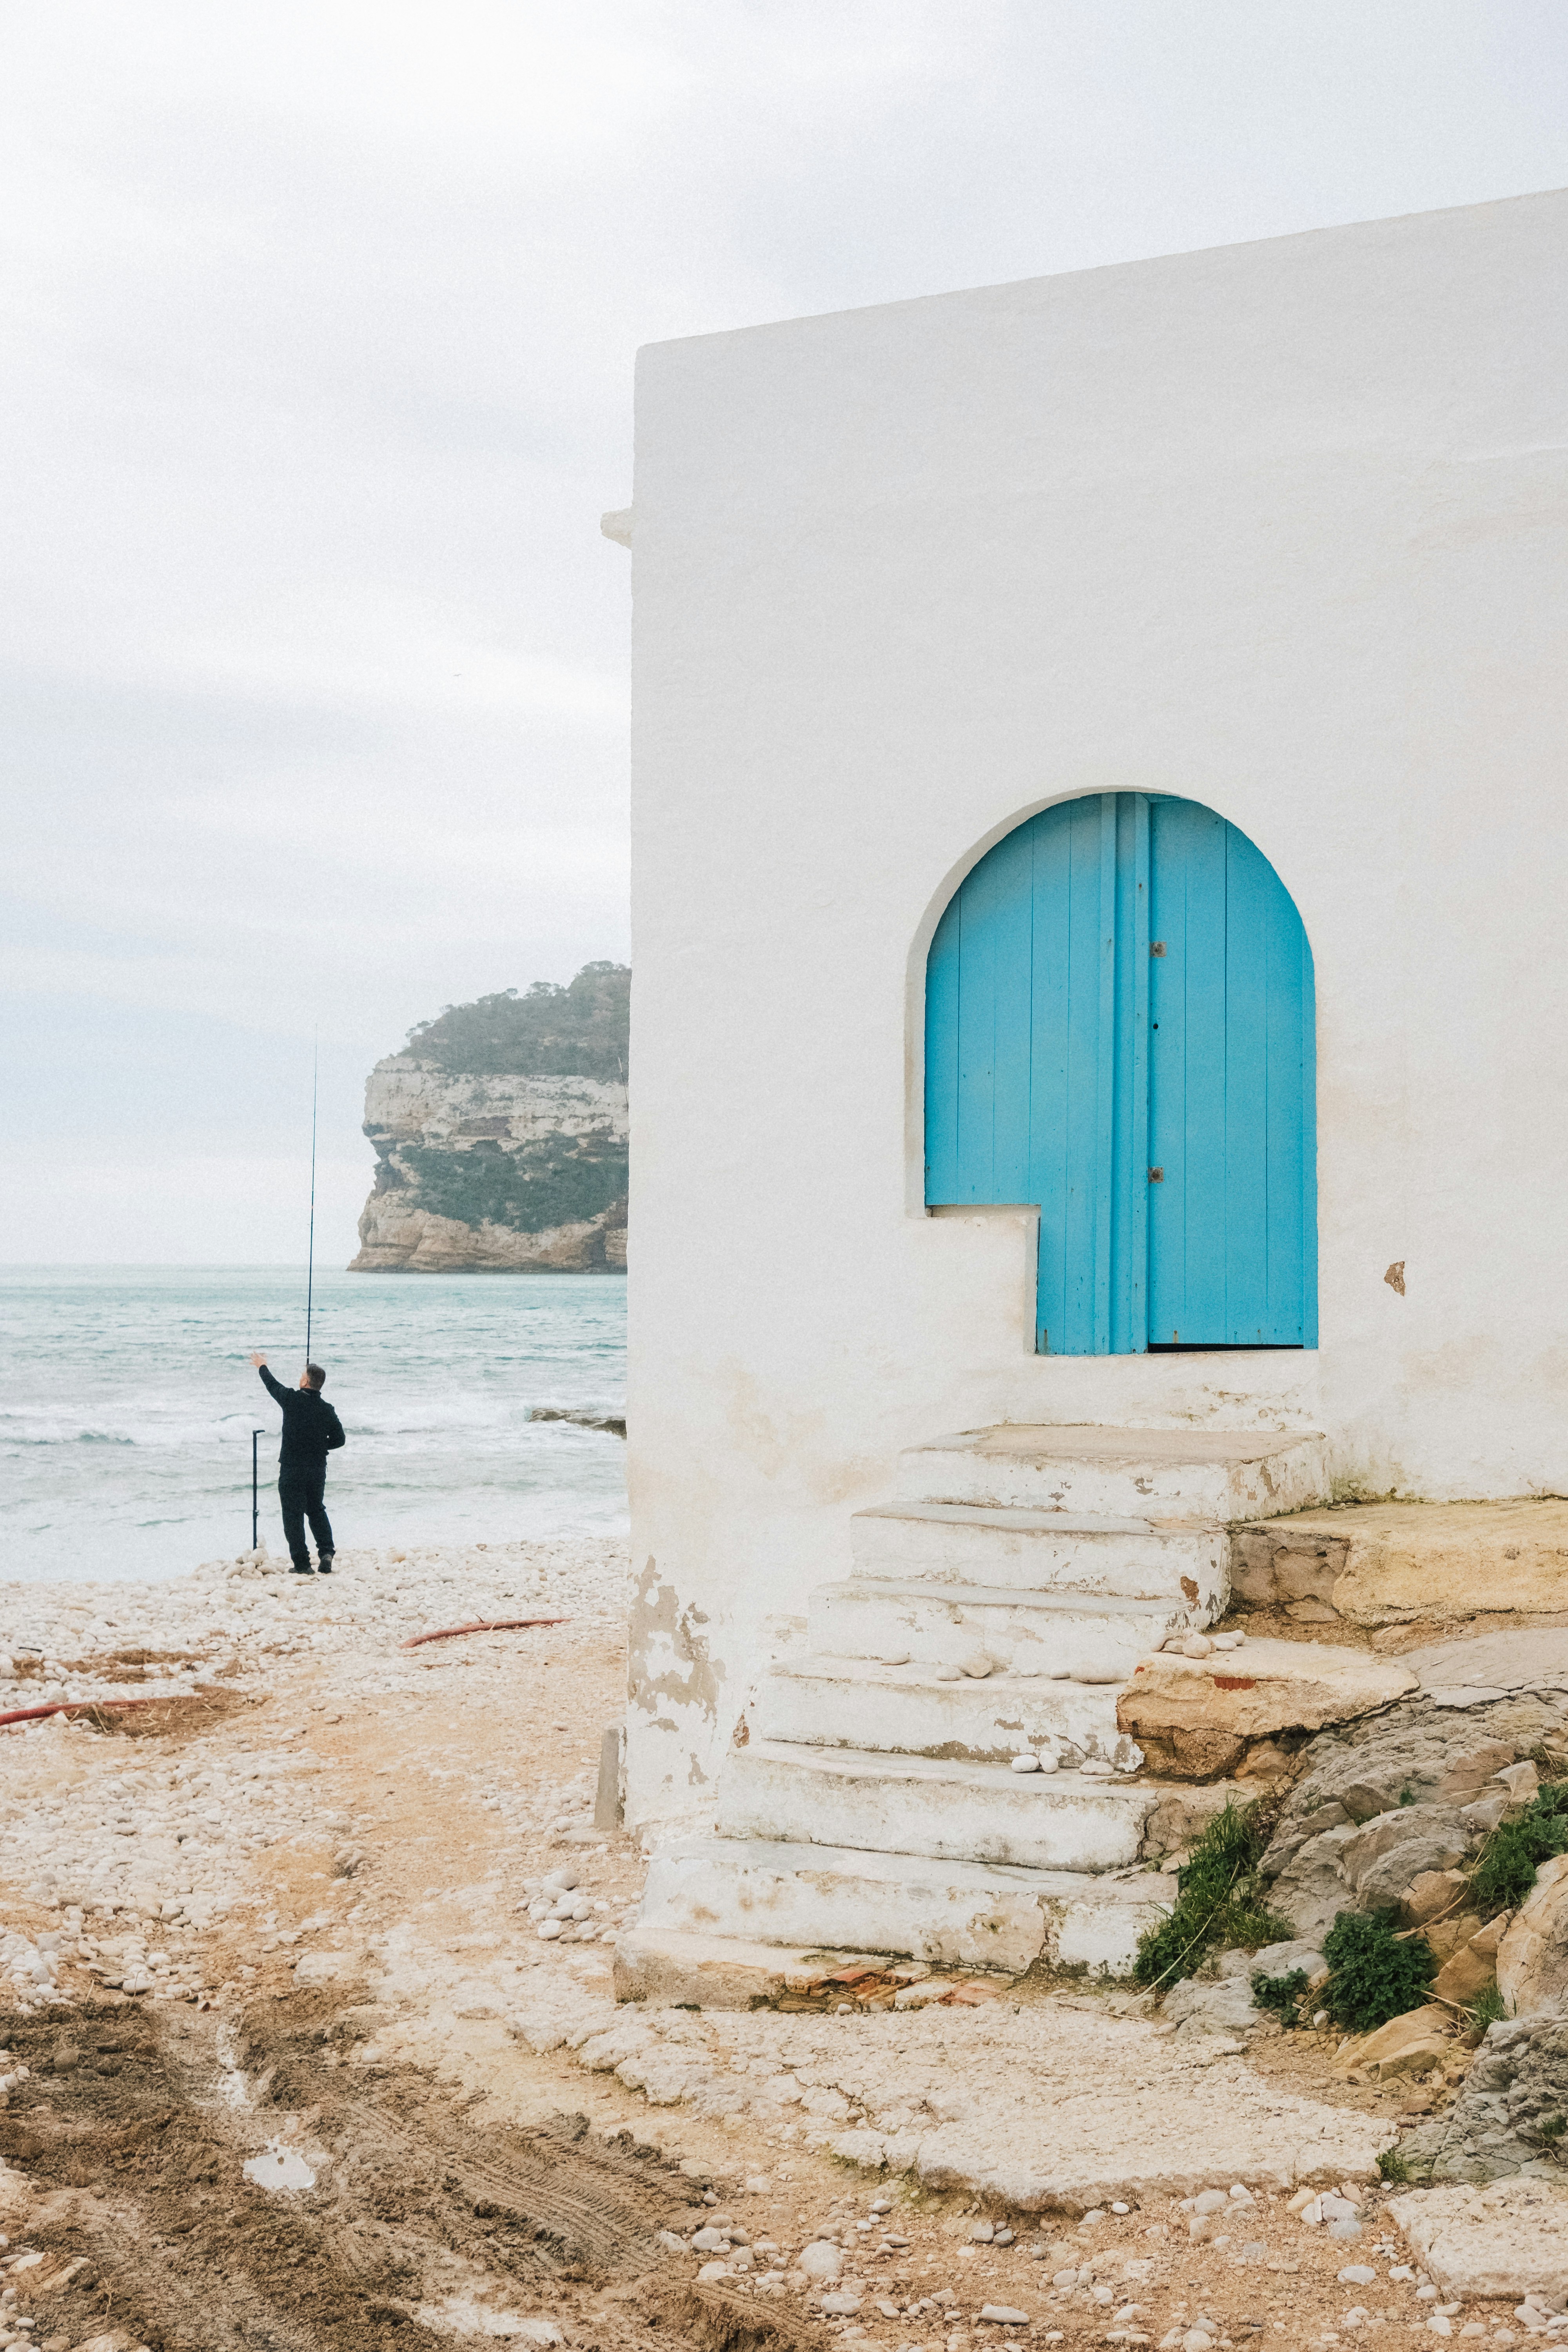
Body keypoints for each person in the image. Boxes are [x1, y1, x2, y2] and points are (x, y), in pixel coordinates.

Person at [249, 1352, 346, 1575]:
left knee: (293, 1515)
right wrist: (321, 1447)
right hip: (317, 1469)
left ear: (305, 1382)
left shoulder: (291, 1400)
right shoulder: (327, 1409)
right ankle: (326, 1551)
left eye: (302, 1375)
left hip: (292, 1468)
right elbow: (340, 1440)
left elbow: (272, 1385)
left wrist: (262, 1365)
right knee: (316, 1509)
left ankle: (302, 1564)